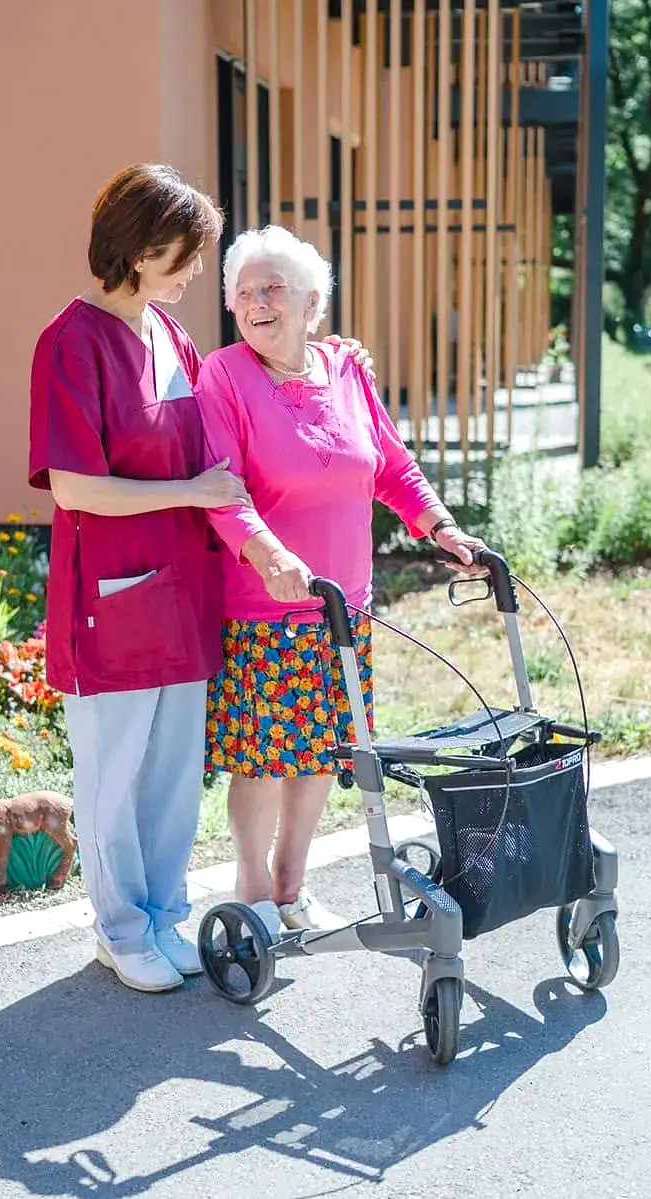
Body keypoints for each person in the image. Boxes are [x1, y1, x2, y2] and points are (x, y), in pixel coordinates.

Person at [28, 169, 375, 994]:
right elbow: (75, 486)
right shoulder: (70, 342)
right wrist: (187, 493)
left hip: (184, 595)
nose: (196, 277)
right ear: (142, 248)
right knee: (113, 777)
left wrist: (334, 357)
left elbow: (223, 431)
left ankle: (162, 916)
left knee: (173, 773)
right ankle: (119, 931)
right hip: (108, 601)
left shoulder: (171, 339)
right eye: (186, 257)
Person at [196, 225, 486, 934]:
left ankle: (294, 885)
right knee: (263, 758)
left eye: (273, 288)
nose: (257, 303)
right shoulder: (224, 376)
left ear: (312, 302)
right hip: (266, 610)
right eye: (243, 292)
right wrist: (269, 554)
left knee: (325, 750)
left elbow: (391, 465)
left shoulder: (346, 370)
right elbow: (221, 490)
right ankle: (254, 888)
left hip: (343, 609)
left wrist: (441, 527)